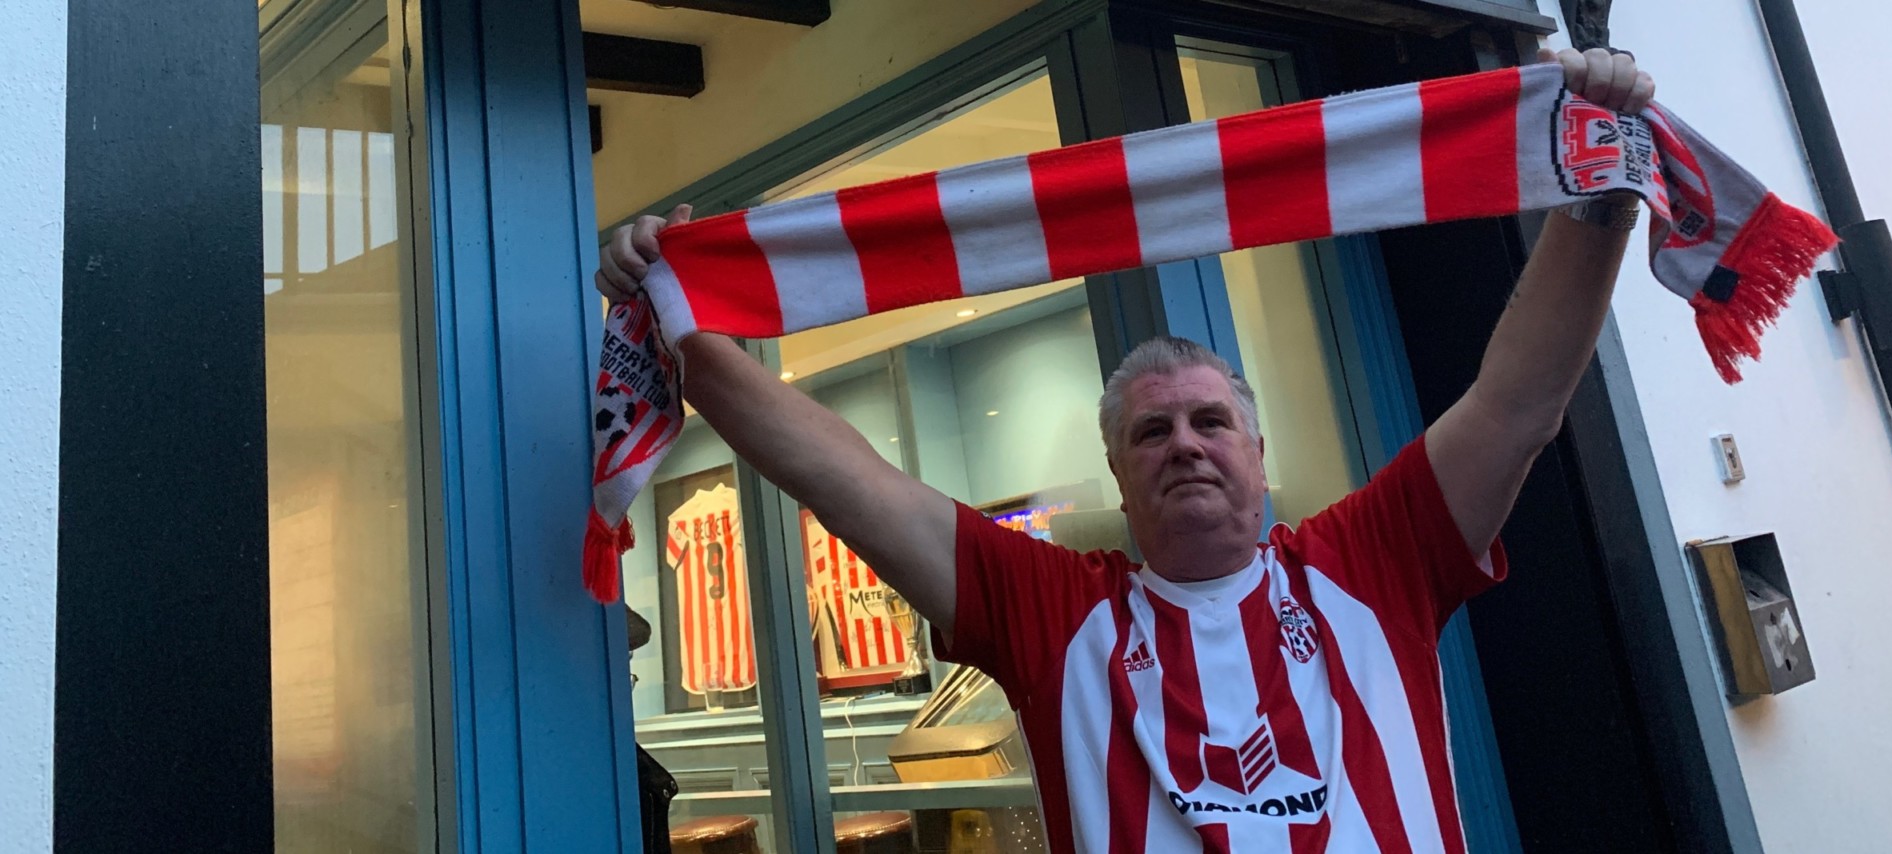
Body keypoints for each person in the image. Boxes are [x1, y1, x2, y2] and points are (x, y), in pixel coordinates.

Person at [597, 47, 1653, 854]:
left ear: (1257, 450)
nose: (1184, 445)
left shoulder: (1371, 563)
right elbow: (841, 476)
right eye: (1151, 430)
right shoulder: (1056, 612)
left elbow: (1519, 402)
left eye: (1209, 422)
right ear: (1118, 470)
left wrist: (1601, 193)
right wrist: (682, 323)